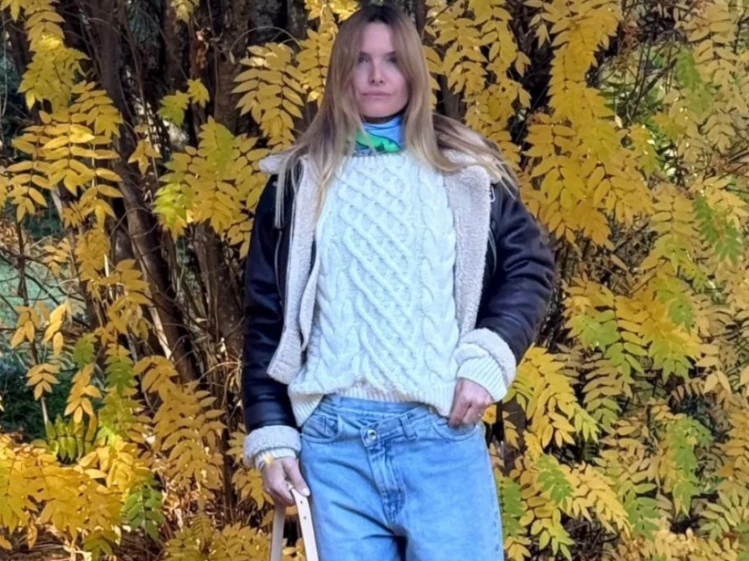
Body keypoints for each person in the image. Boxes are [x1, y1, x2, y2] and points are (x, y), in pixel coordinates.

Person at [241, 2, 555, 559]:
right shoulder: (297, 182)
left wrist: (488, 358)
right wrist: (272, 436)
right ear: (340, 73)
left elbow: (528, 267)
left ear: (414, 71)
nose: (376, 75)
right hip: (333, 450)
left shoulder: (464, 171)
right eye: (360, 61)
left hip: (440, 438)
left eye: (391, 60)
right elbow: (266, 316)